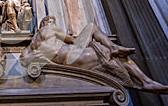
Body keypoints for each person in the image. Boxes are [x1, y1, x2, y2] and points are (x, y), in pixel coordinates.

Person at [20, 16, 168, 92]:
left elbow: (23, 59)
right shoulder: (51, 28)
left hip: (67, 58)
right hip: (74, 54)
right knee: (92, 28)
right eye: (51, 20)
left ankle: (113, 48)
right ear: (46, 22)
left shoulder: (32, 45)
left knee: (106, 52)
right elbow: (71, 39)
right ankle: (145, 80)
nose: (52, 22)